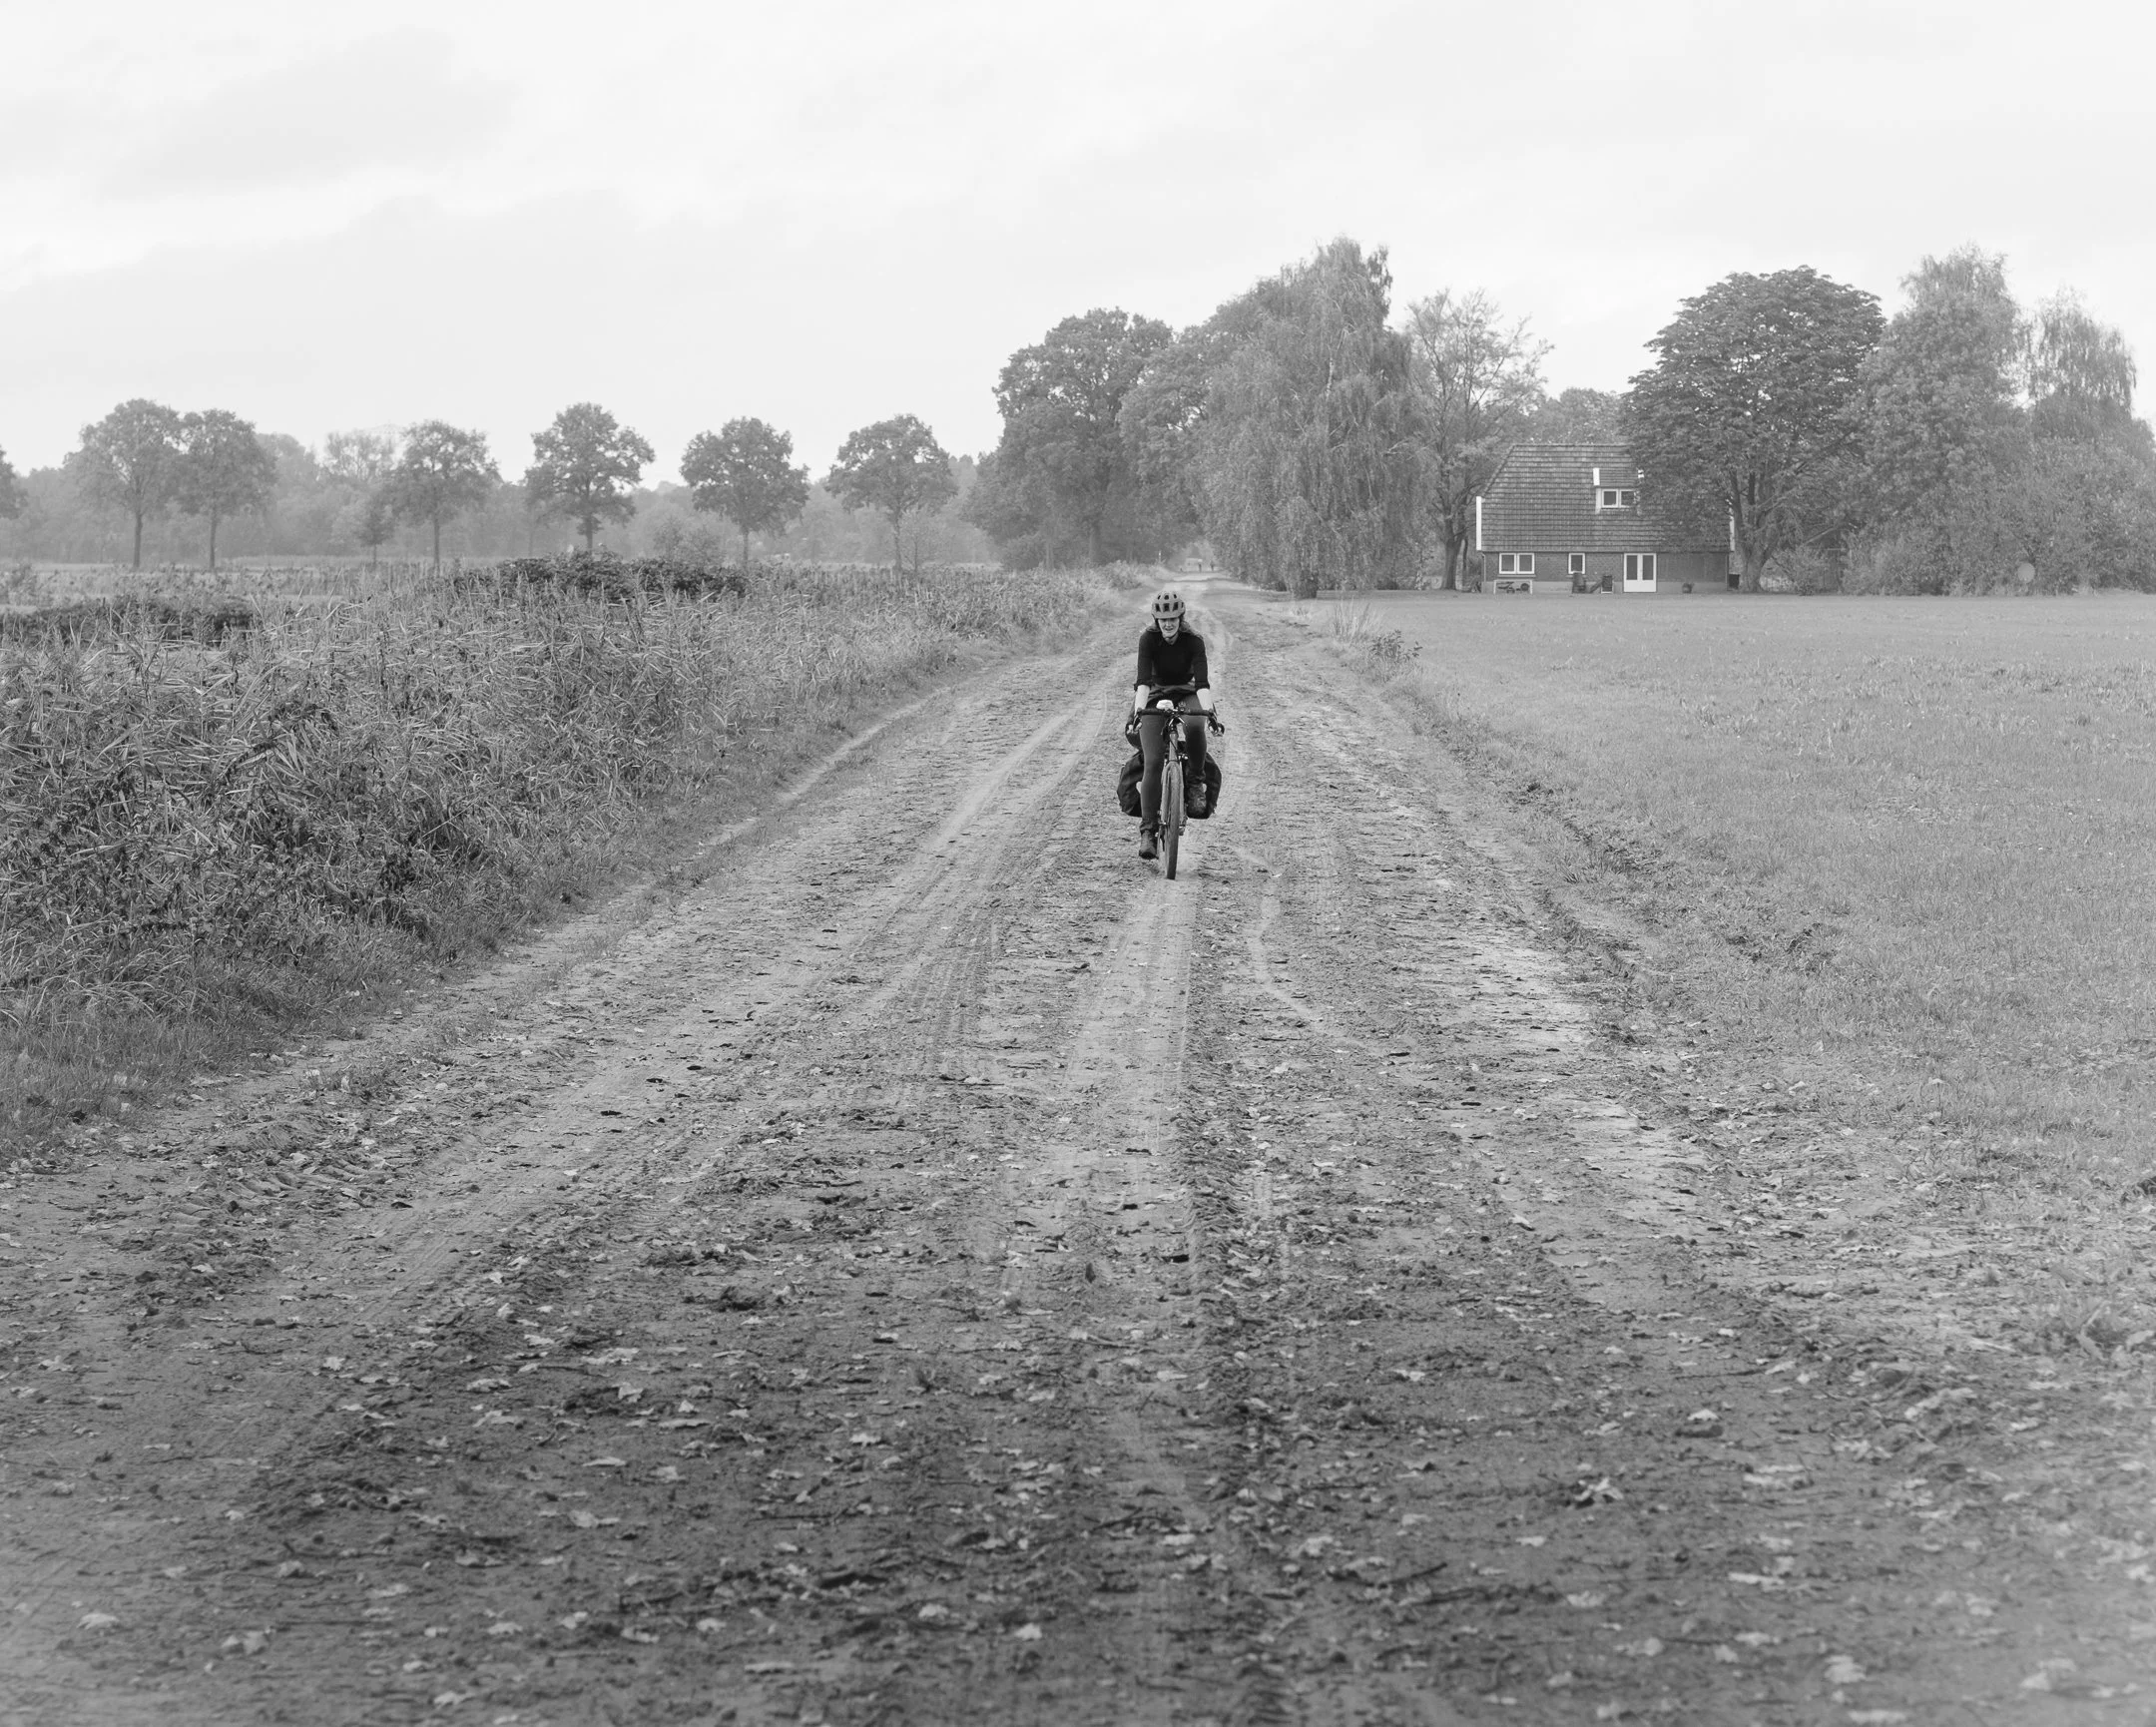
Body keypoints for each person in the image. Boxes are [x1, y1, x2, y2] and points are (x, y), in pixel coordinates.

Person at [1130, 589, 1219, 861]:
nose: (1167, 624)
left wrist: (1210, 712)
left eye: (1173, 619)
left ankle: (1194, 783)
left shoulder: (1194, 641)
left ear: (1181, 618)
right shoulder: (1148, 639)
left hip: (1187, 691)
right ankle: (1148, 831)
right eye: (1162, 619)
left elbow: (1202, 684)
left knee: (1194, 724)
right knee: (1154, 760)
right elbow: (1143, 681)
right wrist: (1137, 711)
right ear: (1156, 620)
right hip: (1155, 694)